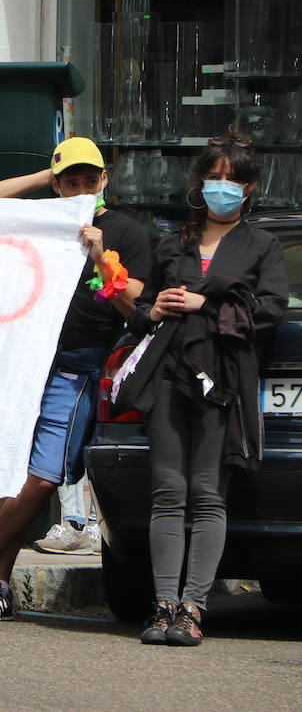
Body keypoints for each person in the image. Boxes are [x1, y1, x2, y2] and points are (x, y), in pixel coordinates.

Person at [0, 137, 151, 622]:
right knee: (13, 479)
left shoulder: (125, 229)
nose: (82, 188)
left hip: (81, 368)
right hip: (24, 362)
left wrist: (102, 256)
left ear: (105, 180)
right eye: (71, 180)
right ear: (58, 183)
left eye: (90, 179)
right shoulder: (44, 220)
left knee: (42, 478)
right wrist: (48, 183)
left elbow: (139, 300)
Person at [122, 133, 285, 646]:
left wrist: (207, 306)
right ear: (199, 183)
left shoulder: (262, 244)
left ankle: (194, 607)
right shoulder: (173, 242)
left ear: (250, 186)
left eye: (231, 179)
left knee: (209, 495)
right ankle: (163, 605)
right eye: (213, 177)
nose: (221, 187)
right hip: (170, 375)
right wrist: (155, 308)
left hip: (224, 382)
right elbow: (143, 309)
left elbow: (270, 309)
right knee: (168, 493)